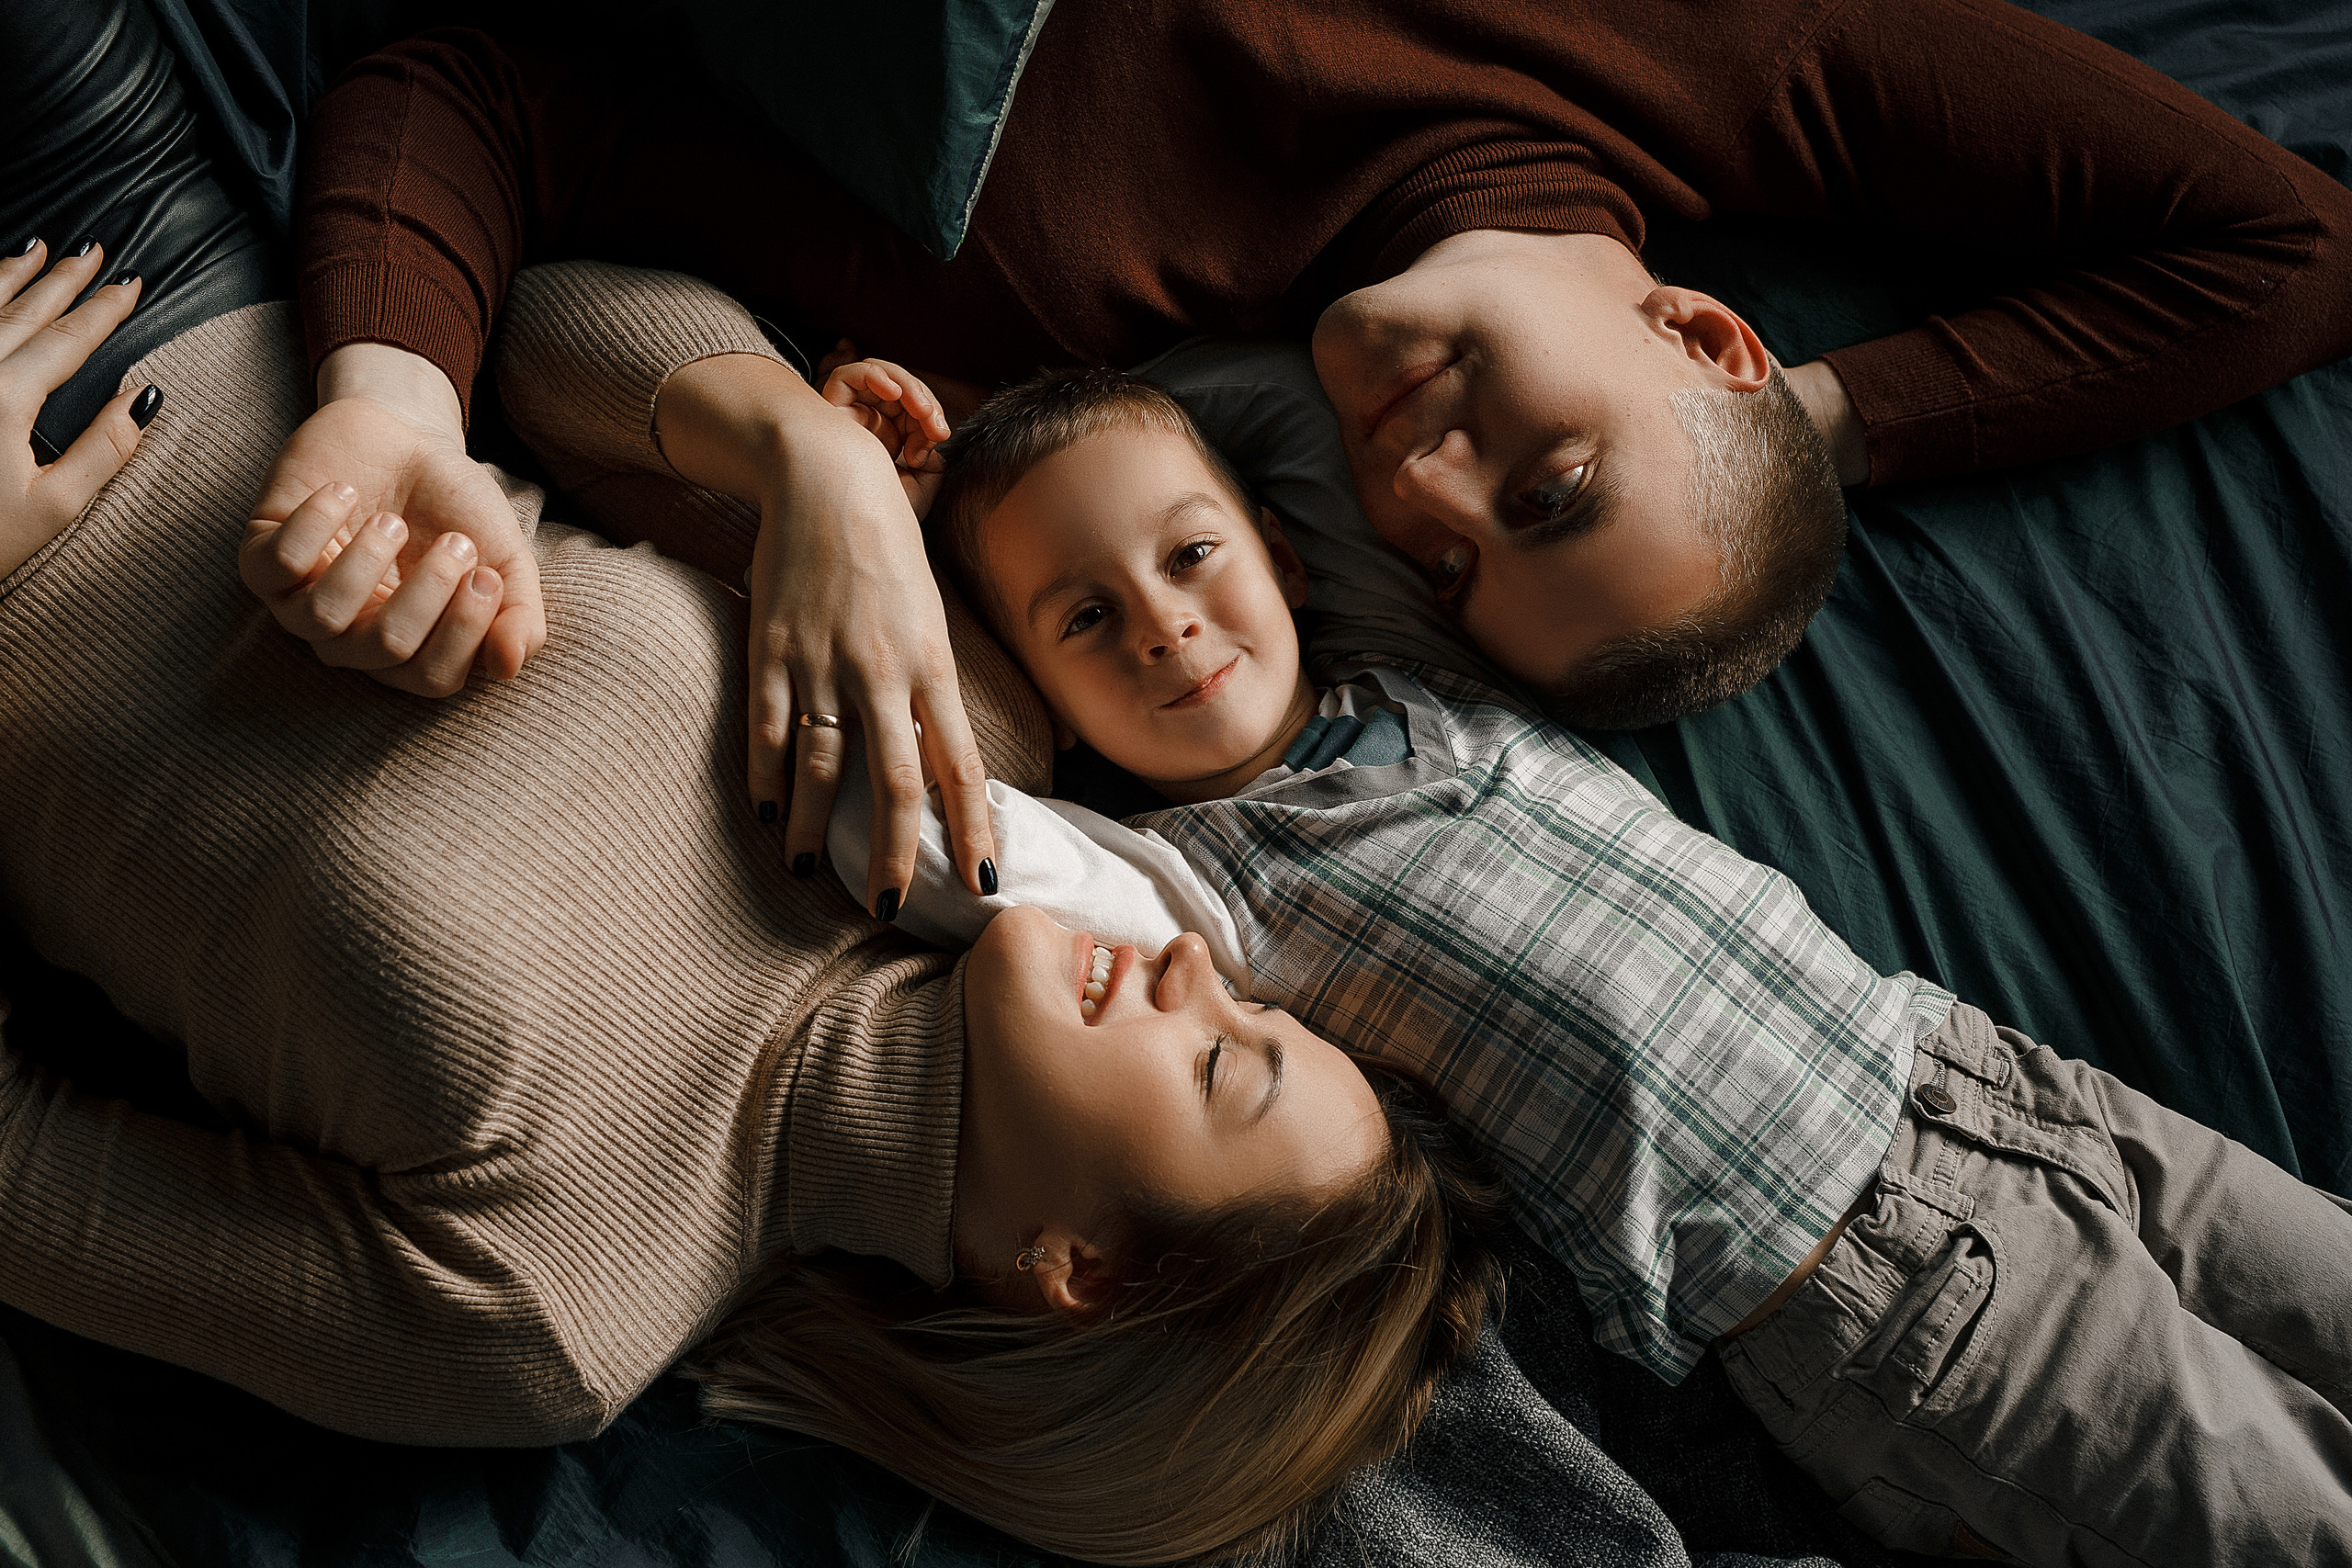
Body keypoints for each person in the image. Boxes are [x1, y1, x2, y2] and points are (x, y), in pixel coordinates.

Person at [0, 245, 1506, 1566]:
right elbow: (540, 323)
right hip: (180, 258)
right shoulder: (959, 751)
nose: (1192, 963)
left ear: (1083, 1271)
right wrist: (808, 455)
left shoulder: (546, 1313)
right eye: (1256, 1002)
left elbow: (22, 1180)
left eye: (1224, 1060)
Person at [768, 346, 2352, 1565]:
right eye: (1084, 624)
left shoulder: (1420, 661)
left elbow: (1304, 401)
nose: (1171, 628)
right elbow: (927, 832)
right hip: (1882, 1298)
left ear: (1282, 557)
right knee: (2287, 1518)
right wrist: (883, 518)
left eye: (1192, 559)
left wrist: (1060, 419)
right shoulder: (1201, 901)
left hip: (1985, 1077)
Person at [261, 0, 2352, 917]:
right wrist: (1826, 426)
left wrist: (387, 399)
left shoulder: (1038, 317)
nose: (1415, 494)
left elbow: (480, 95)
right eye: (1548, 490)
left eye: (1445, 568)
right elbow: (2280, 246)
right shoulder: (1726, 49)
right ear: (1703, 336)